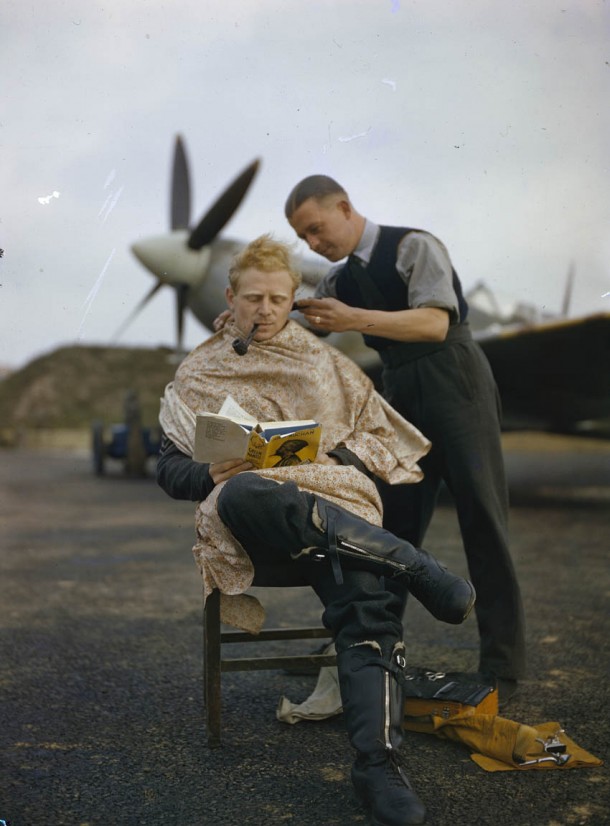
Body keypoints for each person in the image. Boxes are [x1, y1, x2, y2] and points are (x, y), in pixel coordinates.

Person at [156, 234, 476, 826]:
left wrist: (328, 459)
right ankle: (412, 563)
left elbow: (379, 440)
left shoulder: (326, 362)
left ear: (293, 298)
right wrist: (208, 471)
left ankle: (378, 766)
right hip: (249, 519)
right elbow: (167, 467)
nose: (266, 309)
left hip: (333, 511)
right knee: (251, 489)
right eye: (253, 298)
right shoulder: (198, 370)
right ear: (231, 296)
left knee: (368, 601)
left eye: (279, 298)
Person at [284, 176, 526, 706]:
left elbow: (435, 323)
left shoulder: (414, 246)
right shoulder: (339, 279)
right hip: (398, 393)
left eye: (317, 230)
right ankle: (374, 656)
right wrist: (252, 317)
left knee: (482, 521)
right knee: (390, 533)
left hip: (454, 382)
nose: (313, 246)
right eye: (303, 238)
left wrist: (355, 319)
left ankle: (502, 670)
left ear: (344, 208)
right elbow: (304, 323)